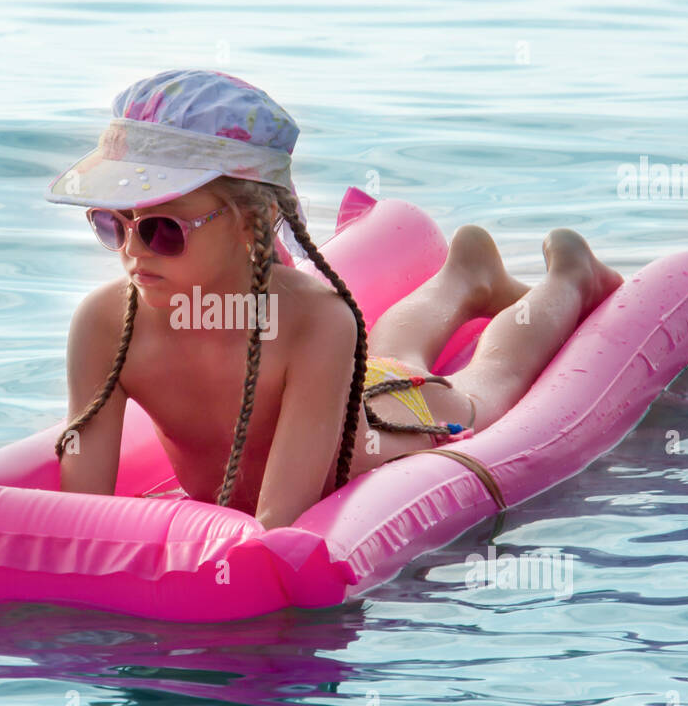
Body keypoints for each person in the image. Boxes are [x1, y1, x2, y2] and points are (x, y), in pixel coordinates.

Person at [43, 68, 623, 530]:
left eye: (163, 229)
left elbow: (278, 522)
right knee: (388, 360)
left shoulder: (314, 321)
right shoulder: (105, 324)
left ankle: (570, 279)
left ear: (252, 224)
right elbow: (82, 515)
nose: (133, 253)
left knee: (483, 385)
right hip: (347, 385)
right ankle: (465, 276)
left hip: (398, 422)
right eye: (112, 225)